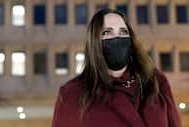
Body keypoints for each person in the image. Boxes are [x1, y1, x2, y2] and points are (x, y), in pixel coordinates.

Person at [52, 9, 181, 127]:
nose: (117, 38)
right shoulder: (73, 93)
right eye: (107, 32)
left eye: (123, 32)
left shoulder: (155, 81)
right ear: (95, 41)